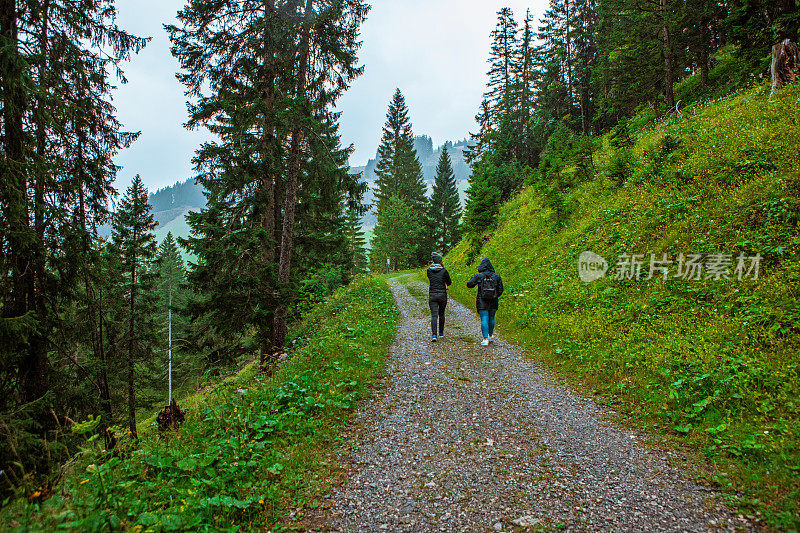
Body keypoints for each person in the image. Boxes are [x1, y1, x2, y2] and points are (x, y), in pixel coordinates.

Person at [466, 257, 504, 346]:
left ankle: (485, 339)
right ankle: (490, 336)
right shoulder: (496, 276)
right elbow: (501, 289)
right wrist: (495, 295)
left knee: (484, 318)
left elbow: (469, 284)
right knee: (492, 318)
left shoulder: (479, 276)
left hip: (482, 300)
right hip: (493, 300)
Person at [426, 252, 451, 342]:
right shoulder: (444, 271)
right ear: (440, 261)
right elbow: (449, 282)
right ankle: (441, 333)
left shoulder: (429, 270)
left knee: (434, 315)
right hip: (442, 295)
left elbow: (431, 279)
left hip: (432, 295)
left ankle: (434, 335)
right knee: (441, 313)